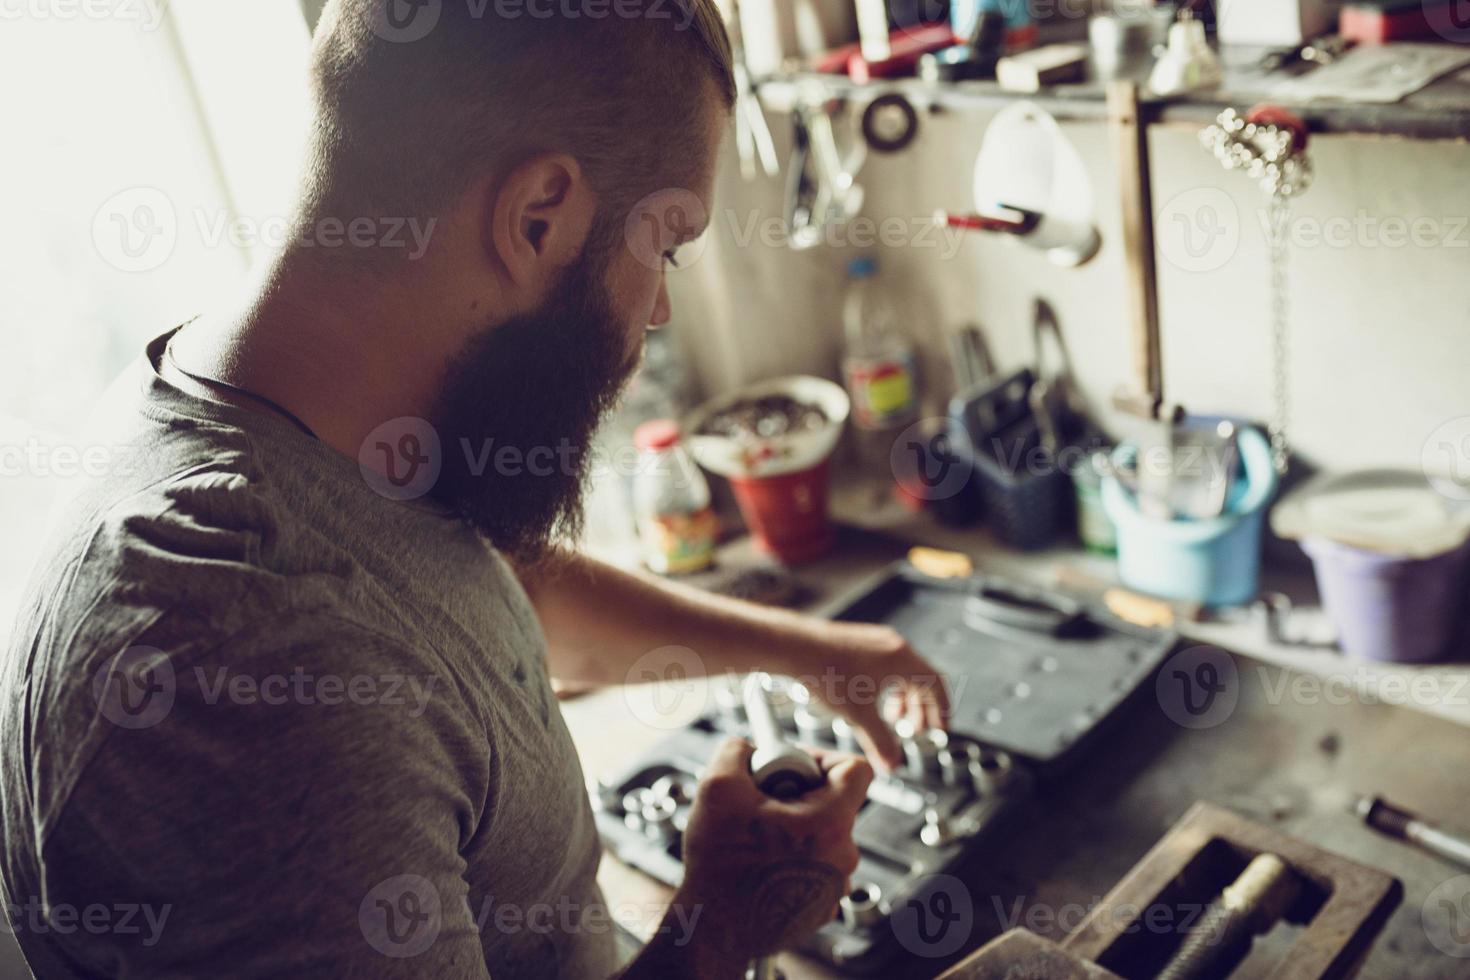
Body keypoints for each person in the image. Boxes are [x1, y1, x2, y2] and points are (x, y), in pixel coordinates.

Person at [0, 1, 950, 976]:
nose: (659, 308)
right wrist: (726, 924)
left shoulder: (291, 398)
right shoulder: (238, 665)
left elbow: (469, 596)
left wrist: (805, 650)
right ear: (541, 217)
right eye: (664, 248)